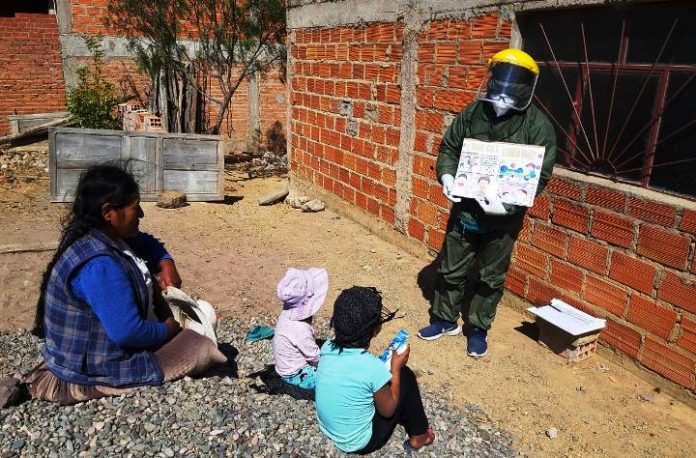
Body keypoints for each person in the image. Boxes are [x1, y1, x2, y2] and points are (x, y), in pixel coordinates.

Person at [23, 165, 226, 405]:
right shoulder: (100, 265)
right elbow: (130, 332)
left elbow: (147, 242)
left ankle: (186, 327)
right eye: (134, 207)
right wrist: (170, 329)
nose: (141, 213)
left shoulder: (98, 237)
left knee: (201, 310)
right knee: (201, 345)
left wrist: (166, 261)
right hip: (93, 371)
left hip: (86, 356)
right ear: (109, 212)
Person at [418, 48, 557, 358]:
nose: (503, 94)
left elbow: (540, 174)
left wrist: (506, 205)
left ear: (524, 89)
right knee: (451, 268)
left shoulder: (537, 127)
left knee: (490, 276)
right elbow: (450, 148)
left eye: (513, 88)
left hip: (502, 220)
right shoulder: (474, 113)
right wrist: (447, 177)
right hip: (466, 210)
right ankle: (444, 319)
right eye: (500, 84)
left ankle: (478, 328)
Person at [316, 286, 435, 454]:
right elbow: (388, 410)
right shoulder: (370, 366)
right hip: (360, 442)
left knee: (383, 382)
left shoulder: (328, 346)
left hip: (330, 428)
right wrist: (395, 369)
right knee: (404, 375)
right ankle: (419, 437)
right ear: (376, 329)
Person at [272, 267, 328, 390]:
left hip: (284, 367)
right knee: (332, 380)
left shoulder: (286, 316)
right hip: (295, 374)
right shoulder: (300, 328)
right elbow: (314, 357)